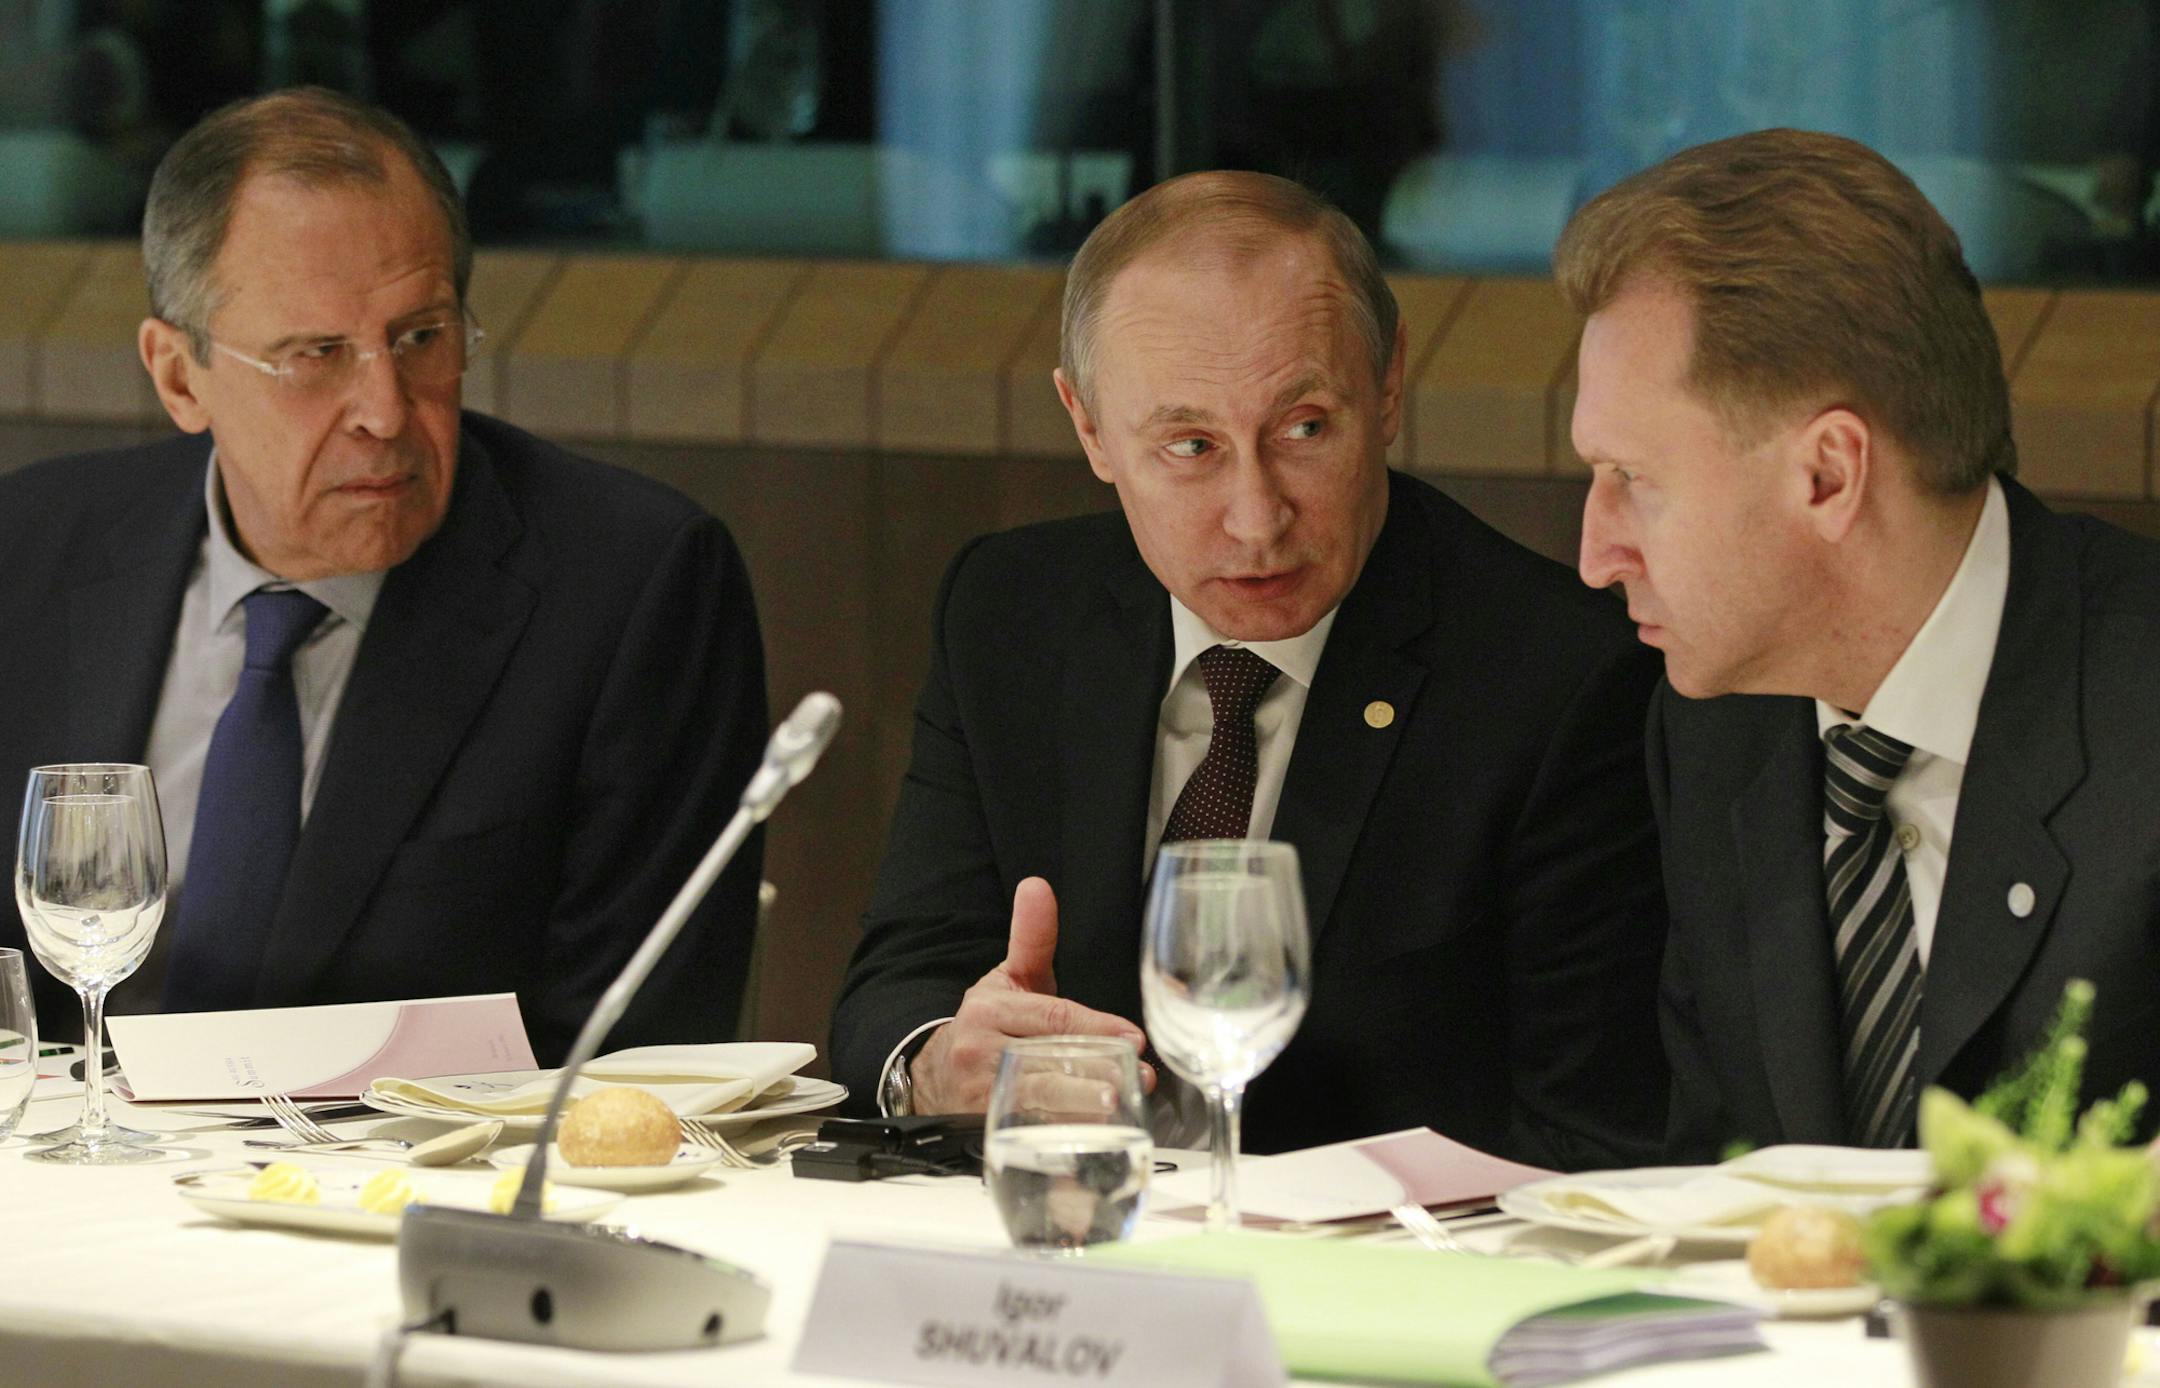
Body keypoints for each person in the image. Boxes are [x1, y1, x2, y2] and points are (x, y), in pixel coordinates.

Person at [829, 170, 1669, 1167]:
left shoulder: (1558, 677)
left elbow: (1590, 1146)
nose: (1257, 517)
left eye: (1305, 429)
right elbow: (901, 981)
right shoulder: (1012, 614)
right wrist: (936, 1064)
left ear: (1390, 380)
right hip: (1070, 1262)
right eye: (1190, 446)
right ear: (1090, 427)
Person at [0, 87, 767, 1065]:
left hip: (408, 1194)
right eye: (315, 354)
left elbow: (631, 1064)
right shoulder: (26, 554)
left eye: (420, 339)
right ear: (179, 376)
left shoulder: (633, 588)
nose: (385, 410)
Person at [1560, 127, 2160, 1159]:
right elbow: (1720, 1177)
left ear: (1828, 475)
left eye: (1636, 481)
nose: (1595, 552)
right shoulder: (1713, 731)